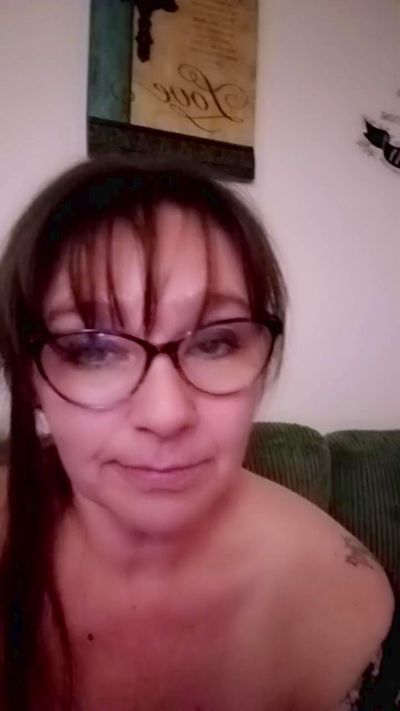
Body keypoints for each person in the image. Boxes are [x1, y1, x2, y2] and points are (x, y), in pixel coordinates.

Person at [0, 156, 395, 711]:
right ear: (30, 379)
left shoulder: (343, 605)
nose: (166, 415)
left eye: (215, 342)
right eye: (93, 349)